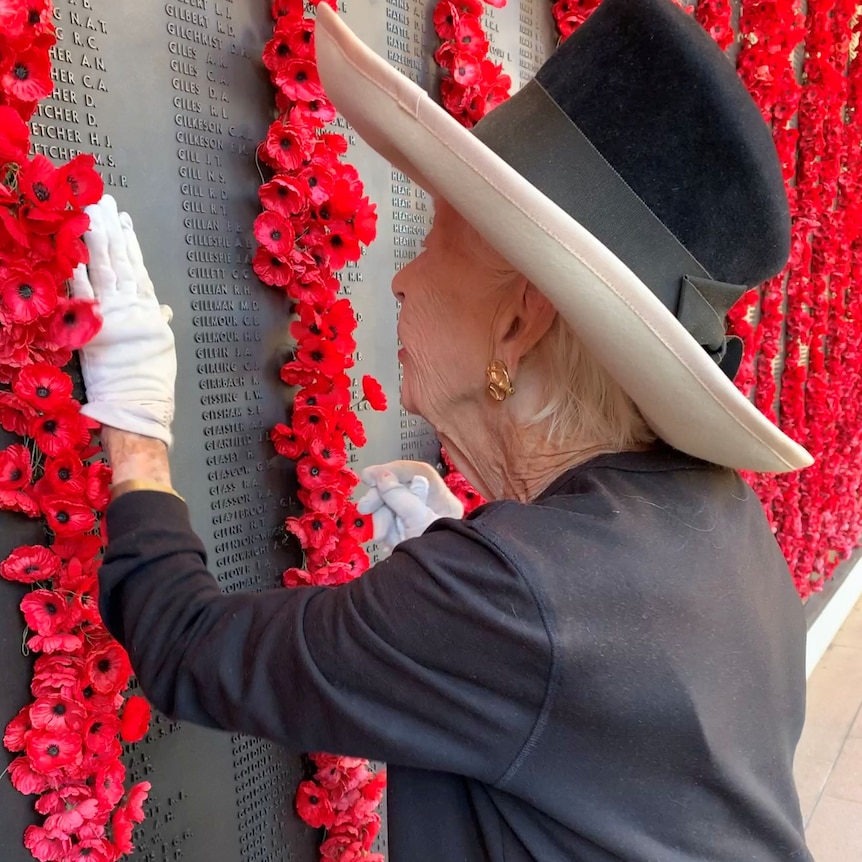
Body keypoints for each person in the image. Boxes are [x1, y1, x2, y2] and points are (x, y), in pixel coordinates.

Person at [75, 0, 815, 859]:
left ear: (517, 324)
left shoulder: (517, 599)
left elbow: (189, 649)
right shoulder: (719, 524)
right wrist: (464, 551)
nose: (399, 281)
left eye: (433, 240)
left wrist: (134, 426)